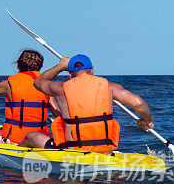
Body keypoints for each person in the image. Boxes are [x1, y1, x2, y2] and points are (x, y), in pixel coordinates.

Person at [26, 54, 155, 154]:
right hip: (104, 151)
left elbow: (38, 82)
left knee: (31, 136)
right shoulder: (110, 87)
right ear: (92, 70)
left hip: (74, 151)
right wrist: (148, 121)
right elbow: (138, 102)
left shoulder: (61, 88)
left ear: (70, 74)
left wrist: (60, 66)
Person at [0, 49, 60, 145]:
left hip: (13, 140)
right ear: (40, 67)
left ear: (18, 65)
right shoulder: (46, 86)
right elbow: (58, 115)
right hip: (40, 139)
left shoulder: (8, 84)